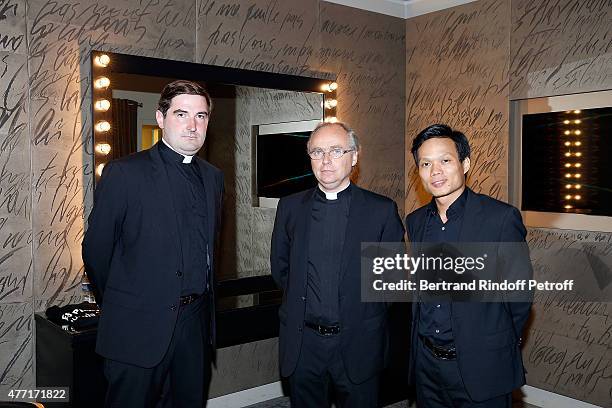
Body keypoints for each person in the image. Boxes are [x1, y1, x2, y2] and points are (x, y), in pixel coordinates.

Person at [82, 80, 223, 407]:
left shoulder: (214, 177)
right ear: (161, 119)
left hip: (194, 326)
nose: (192, 125)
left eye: (201, 116)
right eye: (182, 114)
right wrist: (124, 303)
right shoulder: (124, 173)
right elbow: (96, 251)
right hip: (137, 326)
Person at [270, 122, 405, 407]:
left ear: (354, 157)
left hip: (358, 341)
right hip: (303, 343)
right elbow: (282, 270)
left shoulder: (381, 210)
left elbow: (391, 283)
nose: (326, 160)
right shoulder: (290, 207)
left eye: (336, 150)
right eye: (317, 152)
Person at [405, 124, 532, 407]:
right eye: (425, 164)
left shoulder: (499, 219)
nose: (435, 171)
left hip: (481, 364)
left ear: (465, 164)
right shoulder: (415, 222)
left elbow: (519, 296)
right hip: (427, 366)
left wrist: (493, 340)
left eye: (445, 160)